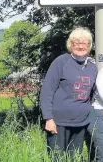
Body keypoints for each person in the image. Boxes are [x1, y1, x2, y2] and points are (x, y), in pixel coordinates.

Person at [40, 27, 97, 161]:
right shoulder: (61, 62)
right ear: (70, 44)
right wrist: (48, 118)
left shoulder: (92, 66)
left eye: (84, 43)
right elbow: (47, 91)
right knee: (58, 158)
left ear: (89, 46)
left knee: (74, 158)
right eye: (76, 42)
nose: (80, 46)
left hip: (81, 123)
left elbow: (94, 93)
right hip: (58, 122)